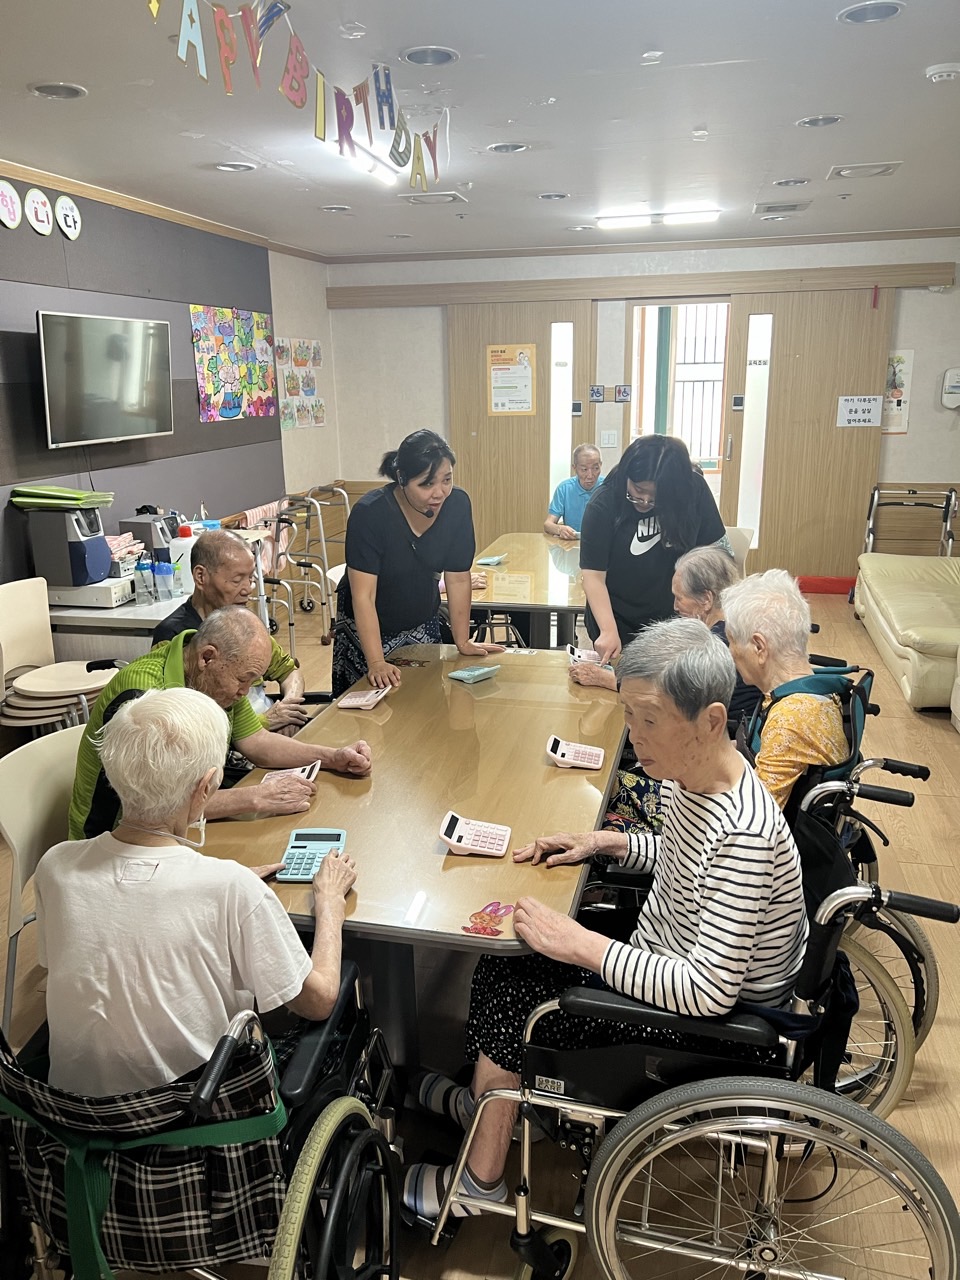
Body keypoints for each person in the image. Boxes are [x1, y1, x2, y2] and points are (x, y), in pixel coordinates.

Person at [403, 618, 807, 1220]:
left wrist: (580, 945)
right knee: (506, 957)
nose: (633, 735)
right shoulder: (701, 776)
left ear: (711, 721)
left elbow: (710, 991)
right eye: (629, 715)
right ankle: (491, 1103)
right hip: (668, 960)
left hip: (710, 1026)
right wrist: (606, 844)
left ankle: (481, 1180)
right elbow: (685, 858)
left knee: (516, 985)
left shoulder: (746, 834)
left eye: (649, 720)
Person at [38, 687, 358, 1095]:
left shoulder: (56, 866)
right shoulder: (232, 888)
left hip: (72, 1111)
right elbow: (318, 1001)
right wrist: (329, 904)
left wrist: (216, 886)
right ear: (206, 787)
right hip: (191, 1112)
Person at [69, 608, 371, 840]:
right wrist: (256, 797)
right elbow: (156, 807)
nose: (245, 692)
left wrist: (332, 757)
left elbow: (257, 742)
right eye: (242, 680)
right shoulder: (144, 698)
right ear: (207, 657)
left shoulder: (216, 679)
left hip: (178, 828)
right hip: (114, 840)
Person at [333, 430, 502, 697]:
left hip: (421, 615)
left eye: (447, 480)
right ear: (402, 479)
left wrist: (462, 641)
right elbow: (364, 596)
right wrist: (376, 662)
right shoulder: (370, 513)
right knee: (373, 707)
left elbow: (458, 577)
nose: (439, 492)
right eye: (426, 484)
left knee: (427, 701)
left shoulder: (457, 504)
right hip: (370, 625)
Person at [579, 435, 728, 666]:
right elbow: (593, 577)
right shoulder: (604, 503)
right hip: (618, 618)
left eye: (655, 496)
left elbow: (716, 555)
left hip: (678, 617)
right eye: (638, 490)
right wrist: (608, 630)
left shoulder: (693, 490)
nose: (644, 500)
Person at [153, 528, 308, 735]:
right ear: (201, 576)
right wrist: (265, 721)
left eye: (250, 578)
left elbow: (289, 671)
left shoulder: (243, 623)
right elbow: (184, 724)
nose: (248, 589)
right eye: (237, 580)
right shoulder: (173, 637)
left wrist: (289, 708)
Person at [721, 569, 849, 813]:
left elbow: (755, 821)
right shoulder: (812, 690)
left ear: (759, 647)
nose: (730, 652)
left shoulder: (790, 721)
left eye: (732, 641)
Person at [544, 443, 604, 539]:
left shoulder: (608, 488)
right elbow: (548, 524)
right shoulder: (564, 489)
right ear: (574, 468)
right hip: (572, 542)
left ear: (601, 465)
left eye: (596, 468)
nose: (590, 475)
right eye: (584, 469)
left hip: (601, 542)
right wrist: (560, 529)